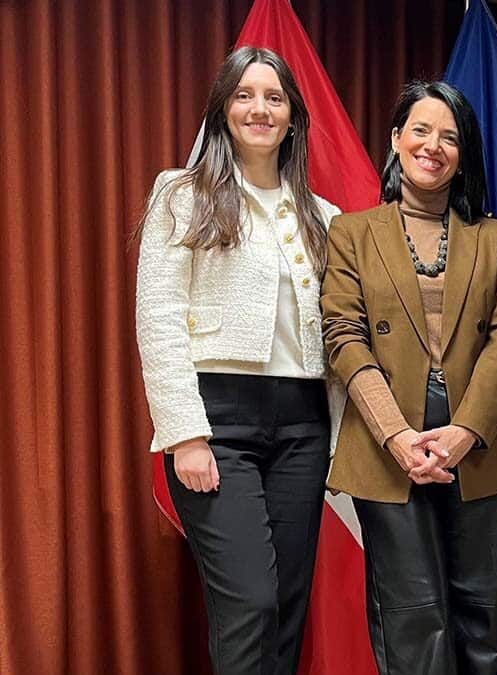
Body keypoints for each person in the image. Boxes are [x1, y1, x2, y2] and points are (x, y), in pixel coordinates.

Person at [134, 46, 342, 674]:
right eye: (245, 95)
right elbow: (159, 316)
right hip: (217, 422)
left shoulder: (323, 217)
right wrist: (186, 434)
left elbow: (339, 336)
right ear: (223, 110)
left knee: (284, 605)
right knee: (248, 602)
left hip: (305, 427)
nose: (260, 109)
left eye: (274, 97)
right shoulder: (183, 194)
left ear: (292, 116)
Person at [320, 80, 497, 675]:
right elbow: (343, 336)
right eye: (420, 130)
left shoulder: (494, 238)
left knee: (477, 615)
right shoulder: (351, 233)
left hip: (479, 445)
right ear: (395, 138)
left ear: (463, 153)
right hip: (387, 447)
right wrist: (396, 435)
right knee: (414, 617)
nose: (433, 146)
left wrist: (464, 430)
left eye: (449, 136)